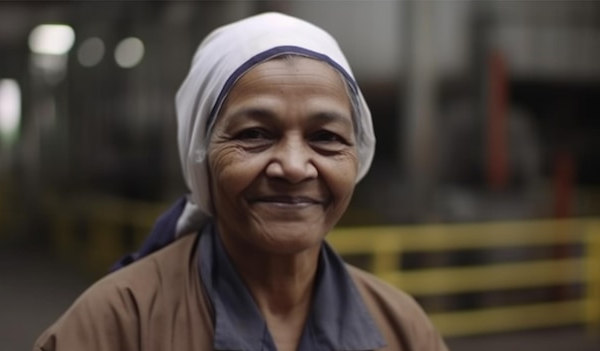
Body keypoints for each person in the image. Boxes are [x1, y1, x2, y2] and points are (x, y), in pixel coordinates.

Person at [33, 12, 448, 351]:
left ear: (357, 157)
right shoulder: (116, 326)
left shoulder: (402, 329)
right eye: (254, 134)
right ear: (200, 154)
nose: (293, 166)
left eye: (326, 138)